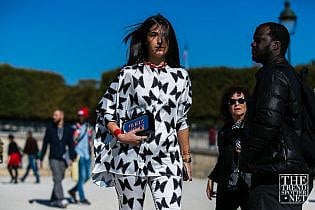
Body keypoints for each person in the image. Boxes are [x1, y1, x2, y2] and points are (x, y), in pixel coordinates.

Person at [92, 14, 192, 210]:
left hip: (167, 159)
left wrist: (186, 158)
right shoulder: (128, 74)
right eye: (154, 34)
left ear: (171, 41)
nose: (160, 40)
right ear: (145, 40)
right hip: (130, 158)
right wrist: (120, 135)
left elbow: (181, 120)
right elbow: (105, 110)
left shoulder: (181, 77)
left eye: (165, 35)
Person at [240, 22, 309, 210]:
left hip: (275, 174)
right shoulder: (292, 75)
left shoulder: (274, 75)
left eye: (258, 40)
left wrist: (245, 159)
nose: (252, 44)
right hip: (296, 172)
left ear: (275, 45)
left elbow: (267, 123)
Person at [206, 87, 251, 210]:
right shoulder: (224, 132)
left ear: (248, 103)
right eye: (232, 102)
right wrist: (212, 177)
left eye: (241, 100)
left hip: (250, 186)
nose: (237, 104)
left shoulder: (256, 128)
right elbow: (222, 159)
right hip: (229, 186)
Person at [39, 109, 76, 208]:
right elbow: (45, 144)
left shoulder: (68, 129)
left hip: (63, 159)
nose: (53, 117)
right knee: (57, 178)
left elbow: (71, 144)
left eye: (56, 115)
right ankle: (60, 199)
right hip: (53, 158)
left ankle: (53, 198)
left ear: (61, 116)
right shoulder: (50, 128)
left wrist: (72, 157)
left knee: (60, 178)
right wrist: (41, 158)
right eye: (53, 115)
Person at [68, 107, 94, 205]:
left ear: (85, 116)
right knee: (81, 177)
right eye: (79, 116)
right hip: (78, 154)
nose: (80, 117)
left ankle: (73, 191)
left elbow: (90, 140)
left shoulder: (89, 127)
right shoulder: (74, 127)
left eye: (82, 116)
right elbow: (71, 141)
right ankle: (82, 198)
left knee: (87, 176)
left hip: (87, 154)